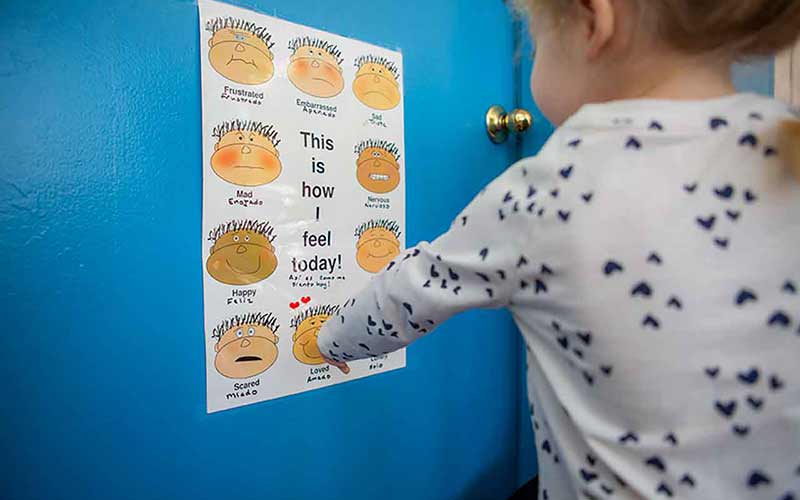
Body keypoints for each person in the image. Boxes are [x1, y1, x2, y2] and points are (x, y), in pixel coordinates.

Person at [318, 0, 800, 497]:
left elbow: (413, 290)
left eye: (533, 39)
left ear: (594, 21)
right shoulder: (788, 148)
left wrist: (333, 340)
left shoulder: (552, 188)